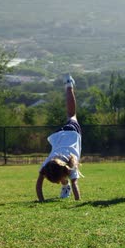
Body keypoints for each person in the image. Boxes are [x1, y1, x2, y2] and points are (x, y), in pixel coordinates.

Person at [36, 74, 82, 202]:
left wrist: (42, 200)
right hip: (60, 136)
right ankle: (69, 84)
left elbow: (75, 186)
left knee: (72, 114)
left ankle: (69, 84)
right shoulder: (48, 164)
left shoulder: (71, 166)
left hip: (70, 133)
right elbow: (39, 185)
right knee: (70, 115)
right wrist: (41, 201)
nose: (55, 183)